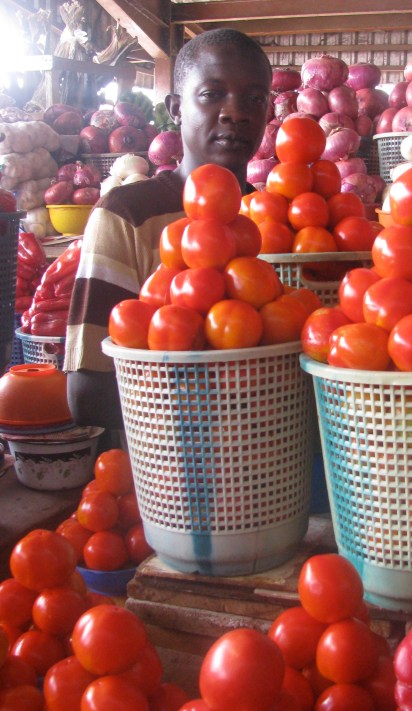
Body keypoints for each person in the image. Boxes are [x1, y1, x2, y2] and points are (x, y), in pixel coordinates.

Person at [64, 29, 272, 434]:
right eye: (212, 94)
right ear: (176, 108)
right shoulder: (126, 215)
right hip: (166, 463)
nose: (236, 112)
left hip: (265, 460)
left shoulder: (275, 219)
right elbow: (89, 390)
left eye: (255, 99)